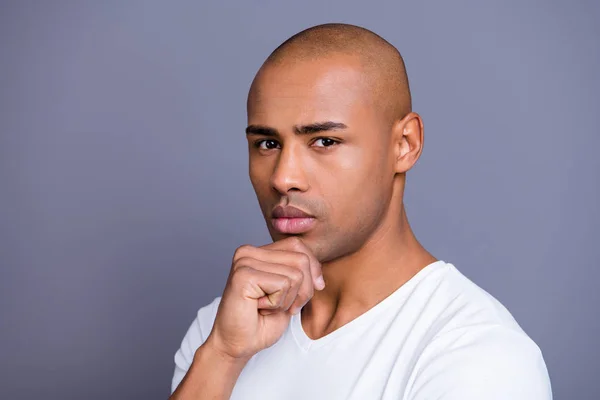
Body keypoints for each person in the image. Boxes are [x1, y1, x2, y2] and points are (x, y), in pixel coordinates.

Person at [169, 23, 552, 399]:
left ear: (405, 144)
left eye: (324, 141)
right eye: (268, 144)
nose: (284, 178)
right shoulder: (223, 328)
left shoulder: (477, 356)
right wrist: (221, 355)